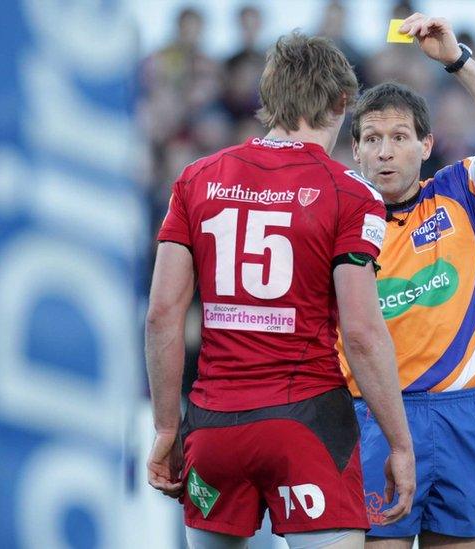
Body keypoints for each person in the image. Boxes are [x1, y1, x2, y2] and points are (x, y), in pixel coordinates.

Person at [145, 32, 415, 549]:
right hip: (306, 424)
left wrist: (164, 427)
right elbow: (360, 332)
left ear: (269, 100)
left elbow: (162, 314)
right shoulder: (351, 193)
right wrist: (400, 445)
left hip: (213, 428)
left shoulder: (196, 179)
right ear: (341, 102)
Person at [337, 12, 475, 549]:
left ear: (426, 145)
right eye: (373, 138)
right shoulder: (337, 220)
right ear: (355, 150)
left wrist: (457, 59)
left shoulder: (463, 193)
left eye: (399, 136)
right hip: (373, 418)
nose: (385, 151)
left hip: (461, 417)